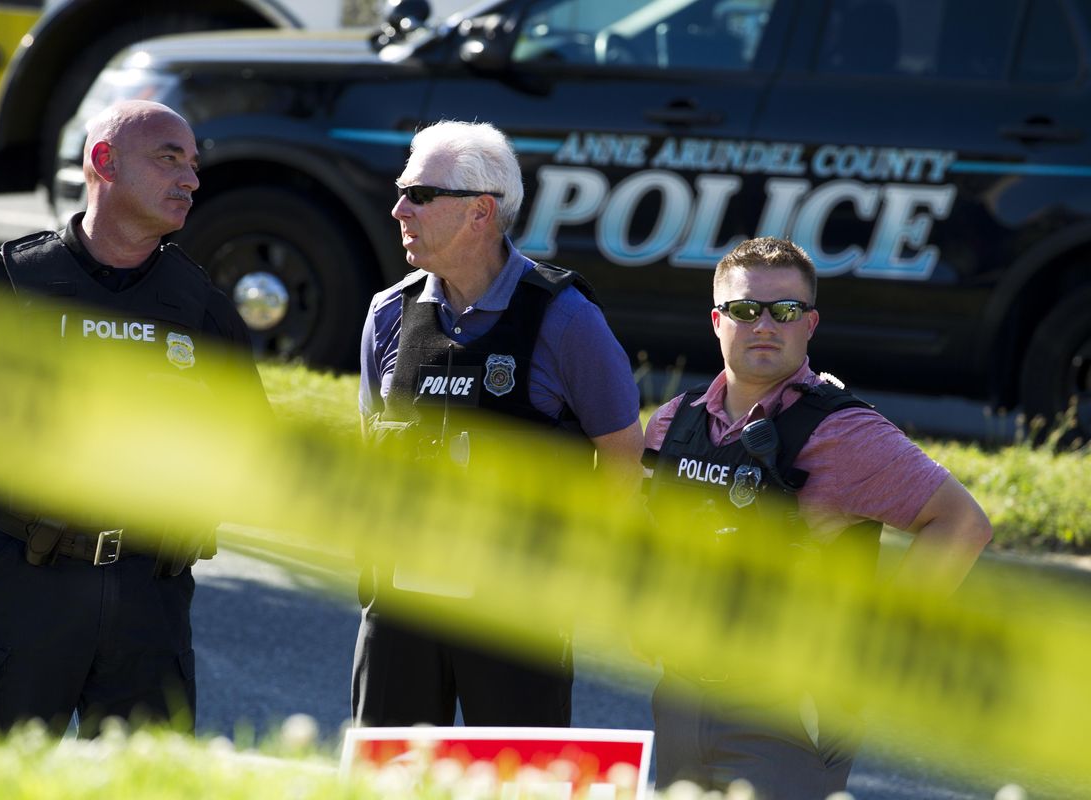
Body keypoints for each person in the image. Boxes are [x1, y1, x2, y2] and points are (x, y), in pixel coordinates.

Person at [0, 100, 270, 736]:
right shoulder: (1, 286)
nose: (190, 178)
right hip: (21, 587)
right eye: (168, 159)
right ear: (102, 162)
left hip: (149, 595)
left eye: (193, 164)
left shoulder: (202, 310)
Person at [644, 237, 993, 798]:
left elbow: (962, 524)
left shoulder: (845, 432)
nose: (764, 324)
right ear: (716, 320)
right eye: (744, 309)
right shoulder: (671, 423)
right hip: (680, 694)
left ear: (810, 324)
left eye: (785, 310)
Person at [353, 120, 644, 728]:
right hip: (400, 609)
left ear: (480, 212)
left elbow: (622, 459)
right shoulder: (388, 315)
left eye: (421, 195)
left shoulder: (566, 319)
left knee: (519, 783)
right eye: (403, 190)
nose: (399, 208)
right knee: (389, 782)